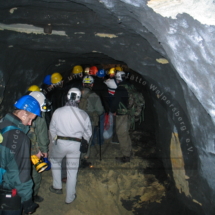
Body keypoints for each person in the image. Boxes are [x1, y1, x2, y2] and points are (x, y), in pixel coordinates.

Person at [49, 87, 92, 204]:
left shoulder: (58, 111)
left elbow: (52, 129)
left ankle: (57, 186)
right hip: (76, 145)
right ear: (79, 100)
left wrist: (54, 141)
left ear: (67, 96)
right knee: (72, 171)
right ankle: (70, 197)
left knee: (55, 161)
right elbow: (88, 133)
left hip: (61, 143)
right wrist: (85, 141)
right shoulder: (83, 114)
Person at [0, 95, 41, 214]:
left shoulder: (2, 123)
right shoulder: (20, 137)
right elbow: (21, 174)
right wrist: (27, 200)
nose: (29, 123)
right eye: (30, 119)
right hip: (8, 192)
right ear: (23, 113)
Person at [28, 90, 51, 203]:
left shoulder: (19, 113)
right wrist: (44, 151)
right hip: (34, 152)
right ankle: (32, 196)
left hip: (19, 151)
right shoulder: (39, 117)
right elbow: (42, 135)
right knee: (35, 175)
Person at [79, 75, 104, 161]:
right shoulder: (94, 96)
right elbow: (100, 110)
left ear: (83, 83)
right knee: (87, 139)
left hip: (77, 120)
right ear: (92, 85)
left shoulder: (77, 93)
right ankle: (85, 156)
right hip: (89, 121)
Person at [110, 71, 132, 163]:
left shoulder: (120, 88)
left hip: (122, 114)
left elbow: (115, 102)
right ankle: (129, 152)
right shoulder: (129, 86)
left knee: (121, 134)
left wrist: (113, 110)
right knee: (125, 133)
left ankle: (126, 156)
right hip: (130, 113)